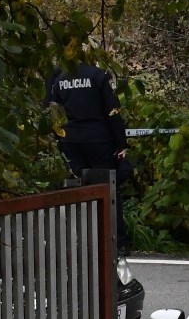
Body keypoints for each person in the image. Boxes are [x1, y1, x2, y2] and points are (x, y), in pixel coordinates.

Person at [46, 60, 132, 254]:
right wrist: (121, 143)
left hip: (70, 141)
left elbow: (50, 109)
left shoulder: (59, 78)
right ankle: (117, 242)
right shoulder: (98, 75)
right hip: (99, 140)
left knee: (81, 191)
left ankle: (85, 241)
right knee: (109, 191)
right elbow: (113, 111)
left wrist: (58, 138)